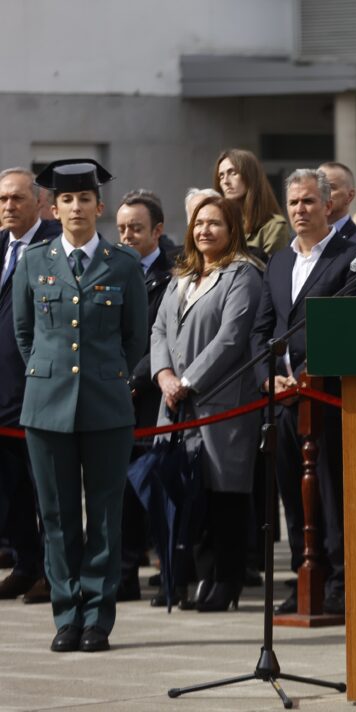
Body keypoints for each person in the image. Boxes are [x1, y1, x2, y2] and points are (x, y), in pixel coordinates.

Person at [11, 159, 149, 652]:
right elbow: (25, 334)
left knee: (106, 517)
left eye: (84, 199)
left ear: (99, 206)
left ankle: (97, 618)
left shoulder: (123, 263)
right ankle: (66, 615)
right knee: (57, 516)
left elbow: (135, 338)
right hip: (47, 406)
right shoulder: (35, 261)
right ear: (54, 208)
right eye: (66, 200)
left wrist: (105, 375)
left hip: (106, 405)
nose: (75, 208)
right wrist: (49, 374)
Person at [251, 168, 356, 615]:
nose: (300, 210)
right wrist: (268, 377)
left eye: (308, 201)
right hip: (283, 399)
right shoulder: (280, 262)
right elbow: (263, 329)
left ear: (328, 205)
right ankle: (304, 573)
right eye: (293, 202)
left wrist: (306, 374)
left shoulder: (352, 256)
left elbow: (350, 326)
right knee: (291, 493)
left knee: (330, 492)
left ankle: (339, 580)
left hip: (326, 396)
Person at [151, 195, 263, 612]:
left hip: (220, 404)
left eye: (214, 223)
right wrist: (164, 376)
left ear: (232, 229)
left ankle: (227, 580)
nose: (204, 231)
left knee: (224, 496)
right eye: (199, 223)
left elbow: (231, 339)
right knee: (189, 492)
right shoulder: (183, 274)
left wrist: (187, 382)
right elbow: (159, 330)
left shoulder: (243, 275)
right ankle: (199, 577)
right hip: (176, 403)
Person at [0, 167, 61, 605]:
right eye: (3, 199)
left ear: (39, 202)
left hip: (40, 391)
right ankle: (25, 564)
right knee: (11, 490)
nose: (8, 206)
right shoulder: (1, 246)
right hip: (2, 394)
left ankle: (55, 573)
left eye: (17, 198)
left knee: (48, 492)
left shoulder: (55, 246)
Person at [114, 189, 174, 603]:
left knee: (154, 486)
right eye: (121, 228)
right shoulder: (112, 269)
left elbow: (164, 337)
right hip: (114, 394)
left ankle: (169, 573)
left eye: (135, 228)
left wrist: (134, 379)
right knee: (120, 490)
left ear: (157, 230)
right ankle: (123, 574)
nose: (127, 236)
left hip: (153, 394)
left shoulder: (174, 274)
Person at [213, 149, 288, 255]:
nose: (225, 181)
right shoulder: (220, 224)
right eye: (221, 176)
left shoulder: (273, 227)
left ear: (250, 176)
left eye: (233, 173)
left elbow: (273, 265)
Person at [318, 161, 356, 246]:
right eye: (318, 187)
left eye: (330, 188)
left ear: (350, 196)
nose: (321, 193)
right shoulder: (300, 241)